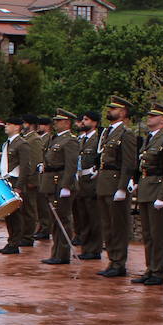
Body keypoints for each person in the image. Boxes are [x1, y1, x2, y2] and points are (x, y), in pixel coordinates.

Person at [132, 103, 163, 287]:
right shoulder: (149, 139)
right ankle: (150, 268)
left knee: (156, 233)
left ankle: (158, 271)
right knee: (147, 233)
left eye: (153, 116)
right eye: (149, 115)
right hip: (146, 189)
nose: (149, 118)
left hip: (157, 191)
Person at [97, 97, 138, 278]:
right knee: (107, 226)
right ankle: (112, 260)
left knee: (118, 226)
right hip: (105, 183)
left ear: (122, 112)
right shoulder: (108, 132)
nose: (110, 110)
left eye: (114, 108)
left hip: (115, 184)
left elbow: (129, 163)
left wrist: (122, 187)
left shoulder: (125, 133)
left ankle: (119, 262)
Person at [40, 110, 80, 265]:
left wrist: (66, 186)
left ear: (67, 122)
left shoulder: (70, 140)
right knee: (54, 219)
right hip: (51, 182)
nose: (55, 123)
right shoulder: (54, 138)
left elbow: (71, 166)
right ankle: (56, 252)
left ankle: (62, 254)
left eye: (58, 120)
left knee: (62, 218)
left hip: (61, 182)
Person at [73, 111, 103, 261]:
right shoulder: (81, 140)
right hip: (81, 181)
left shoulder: (98, 139)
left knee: (93, 218)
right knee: (83, 217)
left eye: (86, 120)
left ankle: (95, 249)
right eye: (83, 119)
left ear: (95, 123)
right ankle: (86, 247)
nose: (83, 122)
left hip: (92, 181)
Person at [0, 118, 28, 253]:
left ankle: (15, 243)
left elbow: (25, 167)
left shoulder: (22, 144)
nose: (6, 126)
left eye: (9, 124)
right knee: (8, 213)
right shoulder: (7, 144)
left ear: (17, 127)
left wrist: (19, 186)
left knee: (16, 214)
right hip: (6, 180)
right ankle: (11, 241)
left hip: (15, 181)